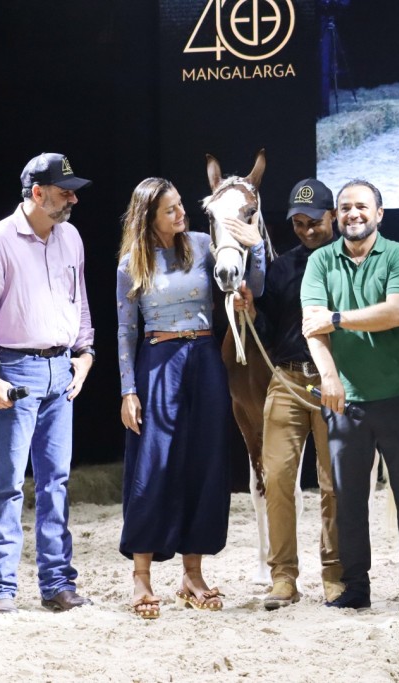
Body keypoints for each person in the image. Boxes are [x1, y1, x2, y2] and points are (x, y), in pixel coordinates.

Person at [116, 177, 264, 618]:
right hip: (158, 361)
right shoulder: (130, 263)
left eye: (181, 205)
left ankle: (192, 575)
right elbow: (125, 331)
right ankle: (142, 577)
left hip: (204, 358)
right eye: (171, 210)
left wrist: (254, 249)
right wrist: (128, 389)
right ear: (149, 217)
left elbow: (252, 284)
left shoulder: (202, 244)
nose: (181, 214)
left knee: (206, 464)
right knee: (152, 466)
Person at [300, 180, 399, 614]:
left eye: (362, 206)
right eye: (345, 207)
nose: (353, 213)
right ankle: (356, 586)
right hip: (346, 401)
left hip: (398, 394)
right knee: (348, 499)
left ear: (379, 213)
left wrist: (337, 318)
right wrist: (329, 378)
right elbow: (312, 326)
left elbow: (395, 312)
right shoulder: (320, 261)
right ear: (335, 216)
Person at [0, 152, 95, 614]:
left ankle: (57, 584)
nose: (73, 199)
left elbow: (78, 299)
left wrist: (86, 354)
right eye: (64, 192)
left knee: (56, 480)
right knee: (8, 482)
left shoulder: (70, 238)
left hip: (61, 368)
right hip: (16, 369)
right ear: (37, 193)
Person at [234, 178, 345, 609]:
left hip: (334, 383)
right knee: (277, 477)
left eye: (313, 222)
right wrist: (252, 311)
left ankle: (335, 575)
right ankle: (283, 577)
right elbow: (268, 332)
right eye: (298, 224)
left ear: (332, 216)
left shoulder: (349, 263)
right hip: (288, 378)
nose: (306, 230)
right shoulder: (281, 270)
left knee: (334, 482)